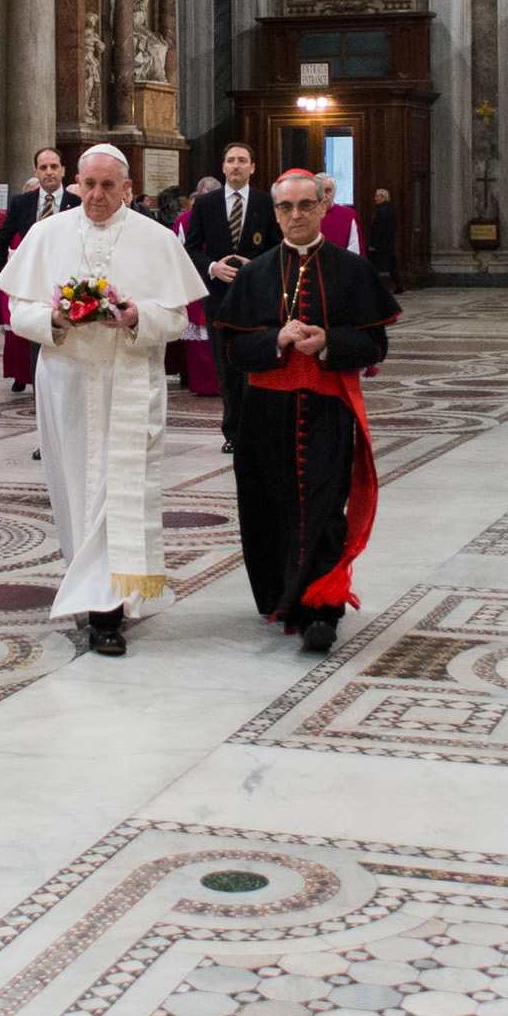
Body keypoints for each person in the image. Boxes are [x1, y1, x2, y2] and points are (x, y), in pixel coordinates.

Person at [3, 146, 206, 655]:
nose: (96, 195)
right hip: (66, 381)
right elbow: (17, 310)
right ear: (74, 183)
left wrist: (139, 315)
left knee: (118, 492)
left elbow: (179, 319)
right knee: (73, 487)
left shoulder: (156, 239)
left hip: (129, 380)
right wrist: (53, 319)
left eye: (107, 186)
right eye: (88, 185)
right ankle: (88, 583)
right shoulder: (47, 235)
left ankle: (108, 610)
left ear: (127, 189)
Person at [215, 169, 398, 653]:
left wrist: (329, 342)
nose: (295, 215)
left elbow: (375, 343)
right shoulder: (255, 274)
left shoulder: (352, 269)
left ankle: (323, 607)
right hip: (264, 414)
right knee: (268, 505)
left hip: (327, 408)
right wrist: (274, 339)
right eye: (285, 207)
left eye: (304, 205)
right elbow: (234, 348)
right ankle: (281, 596)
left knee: (323, 506)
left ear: (322, 208)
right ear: (274, 213)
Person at [182, 141, 266, 415]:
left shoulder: (266, 202)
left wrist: (255, 265)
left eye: (242, 160)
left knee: (254, 362)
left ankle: (254, 425)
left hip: (256, 296)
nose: (236, 165)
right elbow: (191, 248)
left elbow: (278, 246)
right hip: (219, 296)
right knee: (225, 364)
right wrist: (213, 267)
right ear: (223, 166)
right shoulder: (206, 204)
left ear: (252, 167)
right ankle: (231, 429)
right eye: (231, 160)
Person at [0, 146, 71, 394]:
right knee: (38, 338)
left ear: (63, 170)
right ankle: (42, 393)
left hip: (68, 285)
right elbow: (2, 239)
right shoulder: (22, 203)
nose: (49, 172)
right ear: (36, 171)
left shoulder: (77, 203)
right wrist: (3, 278)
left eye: (54, 167)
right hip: (35, 283)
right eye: (43, 167)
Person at [361, 186, 402, 288]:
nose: (375, 198)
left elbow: (378, 230)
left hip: (380, 245)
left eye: (377, 196)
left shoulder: (381, 211)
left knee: (375, 266)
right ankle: (399, 285)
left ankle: (375, 287)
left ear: (383, 197)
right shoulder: (390, 210)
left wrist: (373, 244)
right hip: (388, 243)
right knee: (391, 266)